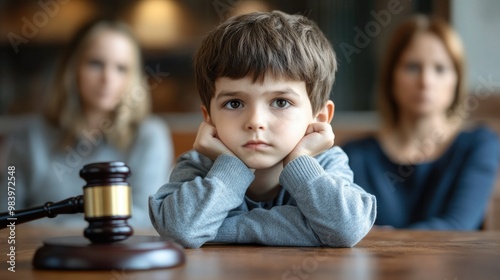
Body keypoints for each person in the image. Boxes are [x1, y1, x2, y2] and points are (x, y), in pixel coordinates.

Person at [149, 11, 376, 249]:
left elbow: (346, 229)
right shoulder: (198, 165)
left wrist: (299, 161)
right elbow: (179, 232)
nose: (256, 122)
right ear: (209, 119)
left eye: (280, 102)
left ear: (319, 117)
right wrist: (230, 169)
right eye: (234, 103)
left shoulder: (326, 165)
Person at [1, 19, 174, 228]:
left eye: (121, 68)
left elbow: (145, 218)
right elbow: (7, 217)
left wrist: (53, 228)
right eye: (95, 63)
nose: (107, 78)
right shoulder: (28, 137)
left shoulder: (150, 136)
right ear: (72, 69)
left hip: (117, 258)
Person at [342, 15, 499, 230]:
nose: (426, 81)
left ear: (457, 79)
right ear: (391, 77)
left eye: (440, 69)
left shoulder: (479, 146)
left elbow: (456, 229)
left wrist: (381, 237)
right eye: (413, 67)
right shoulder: (354, 157)